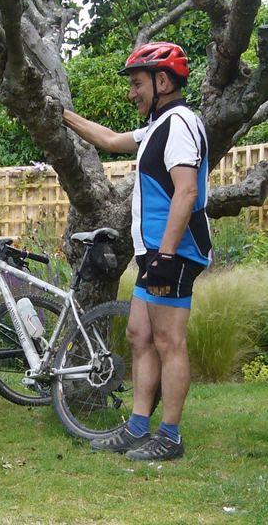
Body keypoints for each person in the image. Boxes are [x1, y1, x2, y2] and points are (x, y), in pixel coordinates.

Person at [62, 42, 210, 461]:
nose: (132, 93)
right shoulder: (158, 126)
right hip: (156, 253)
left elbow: (187, 190)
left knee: (168, 340)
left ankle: (170, 436)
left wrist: (163, 255)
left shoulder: (179, 123)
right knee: (139, 334)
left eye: (137, 84)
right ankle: (138, 427)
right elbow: (108, 139)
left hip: (174, 253)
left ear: (163, 81)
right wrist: (61, 114)